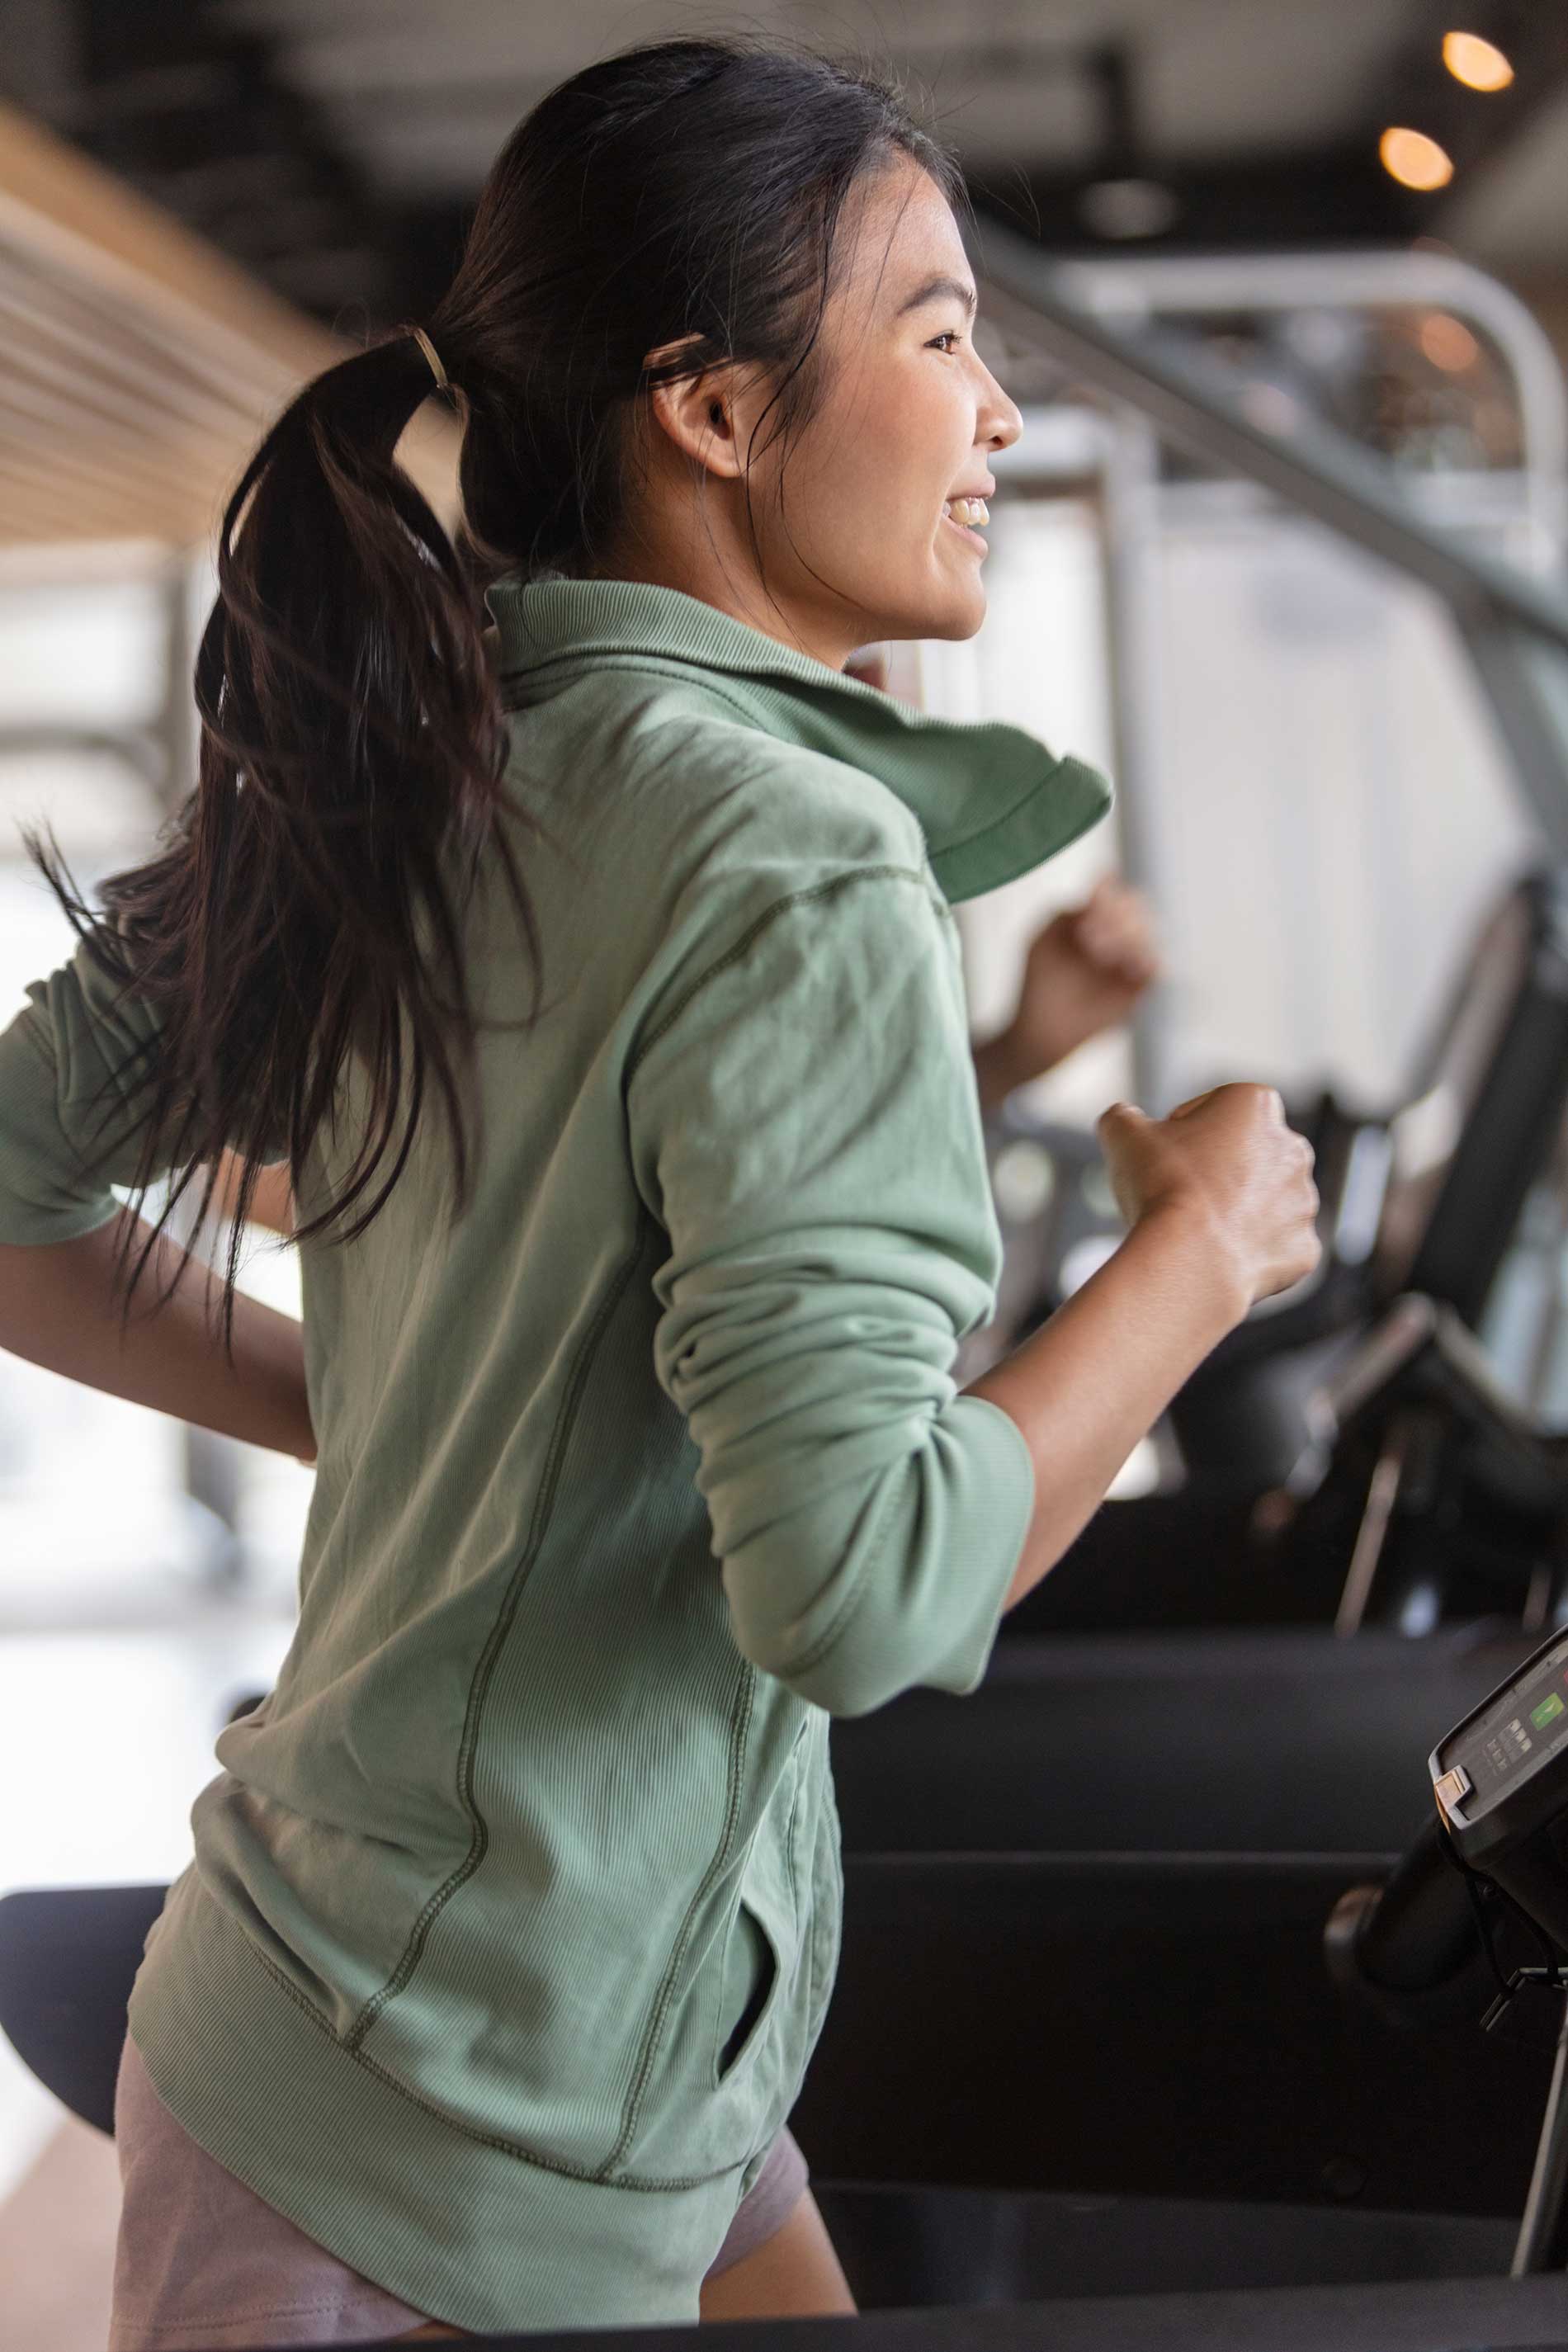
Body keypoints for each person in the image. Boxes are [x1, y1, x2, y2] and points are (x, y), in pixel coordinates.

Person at [0, 32, 1320, 2345]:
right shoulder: (799, 853)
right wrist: (1199, 1252)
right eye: (940, 333)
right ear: (708, 408)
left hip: (593, 2019)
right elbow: (869, 1588)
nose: (996, 413)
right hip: (437, 2109)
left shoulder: (434, 754)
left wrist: (410, 1418)